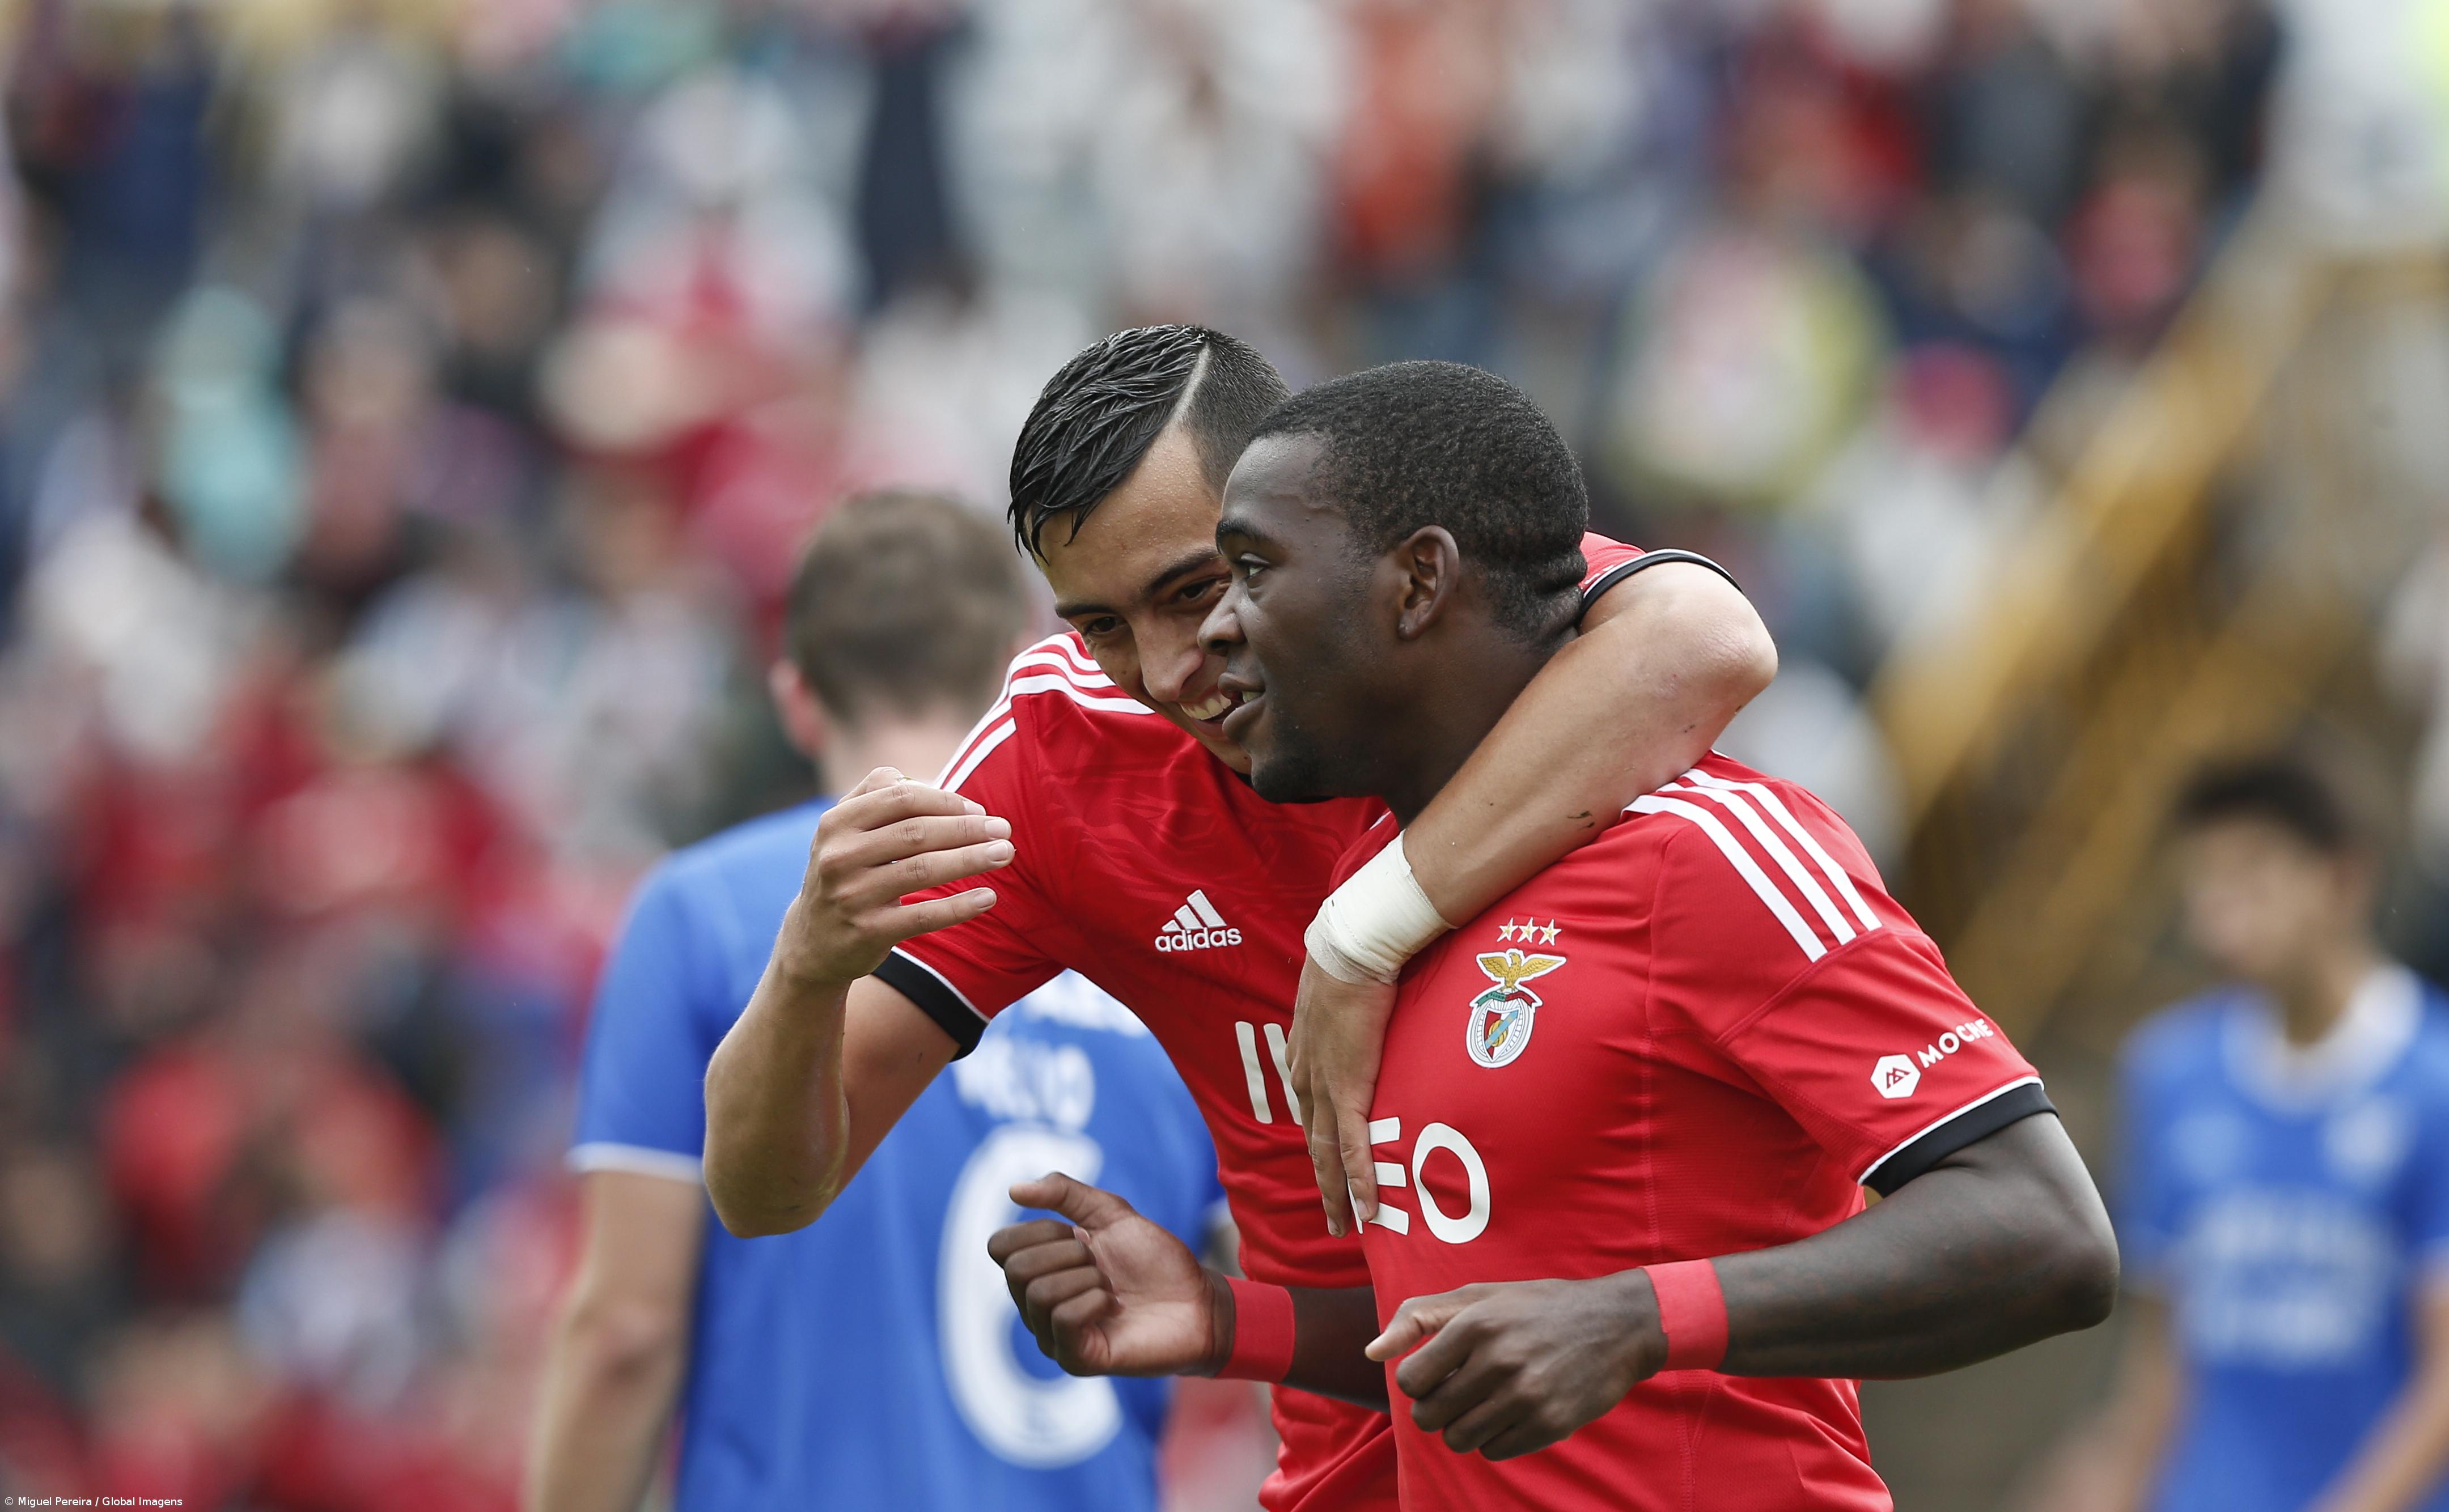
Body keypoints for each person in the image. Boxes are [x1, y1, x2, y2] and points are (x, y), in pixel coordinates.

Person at [989, 361, 2119, 1510]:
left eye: (1250, 574)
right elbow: (1495, 1335)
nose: (1210, 636)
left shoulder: (1705, 851)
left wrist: (1639, 1317)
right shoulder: (1374, 907)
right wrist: (1228, 1321)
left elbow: (2045, 1231)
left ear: (1415, 583)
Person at [700, 325, 1778, 1512]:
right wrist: (804, 968)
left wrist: (1359, 935)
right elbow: (765, 1192)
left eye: (1195, 589)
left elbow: (1709, 638)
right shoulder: (1054, 763)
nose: (1167, 671)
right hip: (1356, 1472)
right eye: (1103, 627)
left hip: (1675, 1464)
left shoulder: (1461, 624)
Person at [525, 494, 1225, 1512]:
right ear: (1017, 668)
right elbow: (1285, 1287)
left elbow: (626, 1334)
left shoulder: (701, 913)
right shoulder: (1163, 912)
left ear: (796, 698)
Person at [2031, 757, 2449, 1512]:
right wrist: (2116, 1476)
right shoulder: (2166, 1074)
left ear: (2344, 878)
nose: (2220, 913)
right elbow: (2164, 1353)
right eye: (2204, 882)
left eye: (2252, 874)